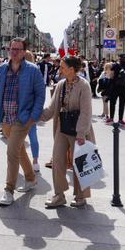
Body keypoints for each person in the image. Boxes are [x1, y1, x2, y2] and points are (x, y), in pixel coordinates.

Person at [0, 38, 45, 207]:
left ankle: (8, 190)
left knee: (11, 152)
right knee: (19, 149)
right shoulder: (2, 69)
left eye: (17, 49)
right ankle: (30, 179)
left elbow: (40, 94)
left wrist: (34, 116)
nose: (14, 51)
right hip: (6, 118)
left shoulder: (33, 70)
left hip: (22, 119)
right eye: (11, 48)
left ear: (24, 52)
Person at [39, 56, 94, 208]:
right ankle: (59, 194)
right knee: (57, 160)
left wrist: (81, 133)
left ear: (71, 69)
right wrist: (37, 115)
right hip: (62, 127)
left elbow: (86, 111)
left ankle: (80, 196)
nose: (60, 69)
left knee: (79, 163)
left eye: (62, 67)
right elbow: (51, 108)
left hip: (79, 130)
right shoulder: (61, 84)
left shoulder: (84, 85)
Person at [108, 54, 125, 125]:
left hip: (115, 87)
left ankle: (111, 119)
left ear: (119, 59)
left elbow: (111, 75)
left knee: (112, 103)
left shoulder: (115, 65)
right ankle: (120, 120)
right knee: (122, 104)